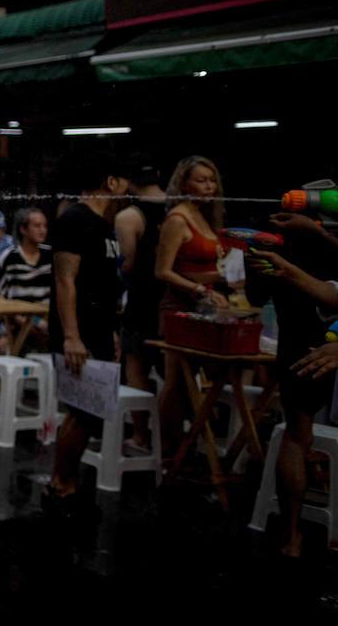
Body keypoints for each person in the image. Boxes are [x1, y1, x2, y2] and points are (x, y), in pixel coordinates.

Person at [43, 154, 131, 510]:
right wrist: (72, 337)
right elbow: (65, 280)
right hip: (77, 333)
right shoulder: (75, 219)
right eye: (124, 182)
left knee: (89, 411)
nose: (127, 190)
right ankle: (60, 481)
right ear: (111, 182)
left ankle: (66, 479)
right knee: (82, 409)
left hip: (99, 331)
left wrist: (111, 333)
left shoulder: (104, 224)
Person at [248, 218, 338, 557]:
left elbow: (257, 295)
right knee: (301, 437)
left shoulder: (274, 241)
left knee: (297, 436)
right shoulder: (313, 241)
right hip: (315, 346)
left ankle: (291, 537)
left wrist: (285, 268)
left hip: (298, 345)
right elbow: (330, 294)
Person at [154, 156, 229, 454]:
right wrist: (198, 288)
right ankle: (171, 454)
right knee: (176, 383)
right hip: (178, 309)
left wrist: (222, 277)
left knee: (198, 381)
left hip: (206, 308)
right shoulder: (178, 219)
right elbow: (163, 271)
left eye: (212, 180)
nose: (209, 187)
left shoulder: (206, 216)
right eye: (201, 180)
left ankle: (192, 447)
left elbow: (201, 267)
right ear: (184, 183)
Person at [115, 165, 168, 450]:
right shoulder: (181, 210)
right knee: (173, 375)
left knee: (137, 367)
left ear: (127, 181)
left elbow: (128, 263)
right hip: (175, 300)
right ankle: (170, 438)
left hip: (143, 301)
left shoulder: (129, 216)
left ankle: (141, 435)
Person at [0, 207, 53, 352]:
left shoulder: (51, 256)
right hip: (16, 322)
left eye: (45, 226)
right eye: (37, 226)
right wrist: (24, 321)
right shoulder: (10, 257)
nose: (42, 230)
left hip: (47, 323)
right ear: (23, 229)